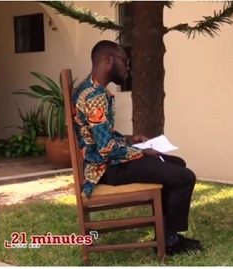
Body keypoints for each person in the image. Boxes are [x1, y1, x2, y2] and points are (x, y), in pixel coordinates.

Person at [71, 40, 203, 255]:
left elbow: (97, 136)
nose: (128, 67)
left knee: (176, 164)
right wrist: (142, 152)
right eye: (125, 61)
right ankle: (170, 240)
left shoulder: (86, 89)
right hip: (107, 168)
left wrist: (130, 139)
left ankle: (166, 233)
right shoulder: (96, 97)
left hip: (102, 164)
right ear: (108, 60)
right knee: (184, 177)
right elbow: (106, 150)